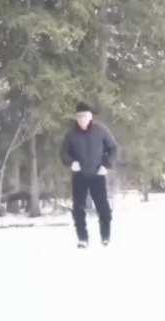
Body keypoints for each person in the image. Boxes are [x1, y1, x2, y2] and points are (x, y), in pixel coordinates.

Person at [60, 101, 118, 248]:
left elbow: (113, 148)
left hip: (97, 174)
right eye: (79, 117)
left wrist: (106, 165)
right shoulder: (71, 134)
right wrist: (71, 162)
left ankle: (105, 236)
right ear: (76, 118)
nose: (82, 120)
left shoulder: (100, 130)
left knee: (103, 207)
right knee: (78, 208)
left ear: (90, 117)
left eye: (85, 116)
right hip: (79, 176)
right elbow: (63, 153)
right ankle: (82, 238)